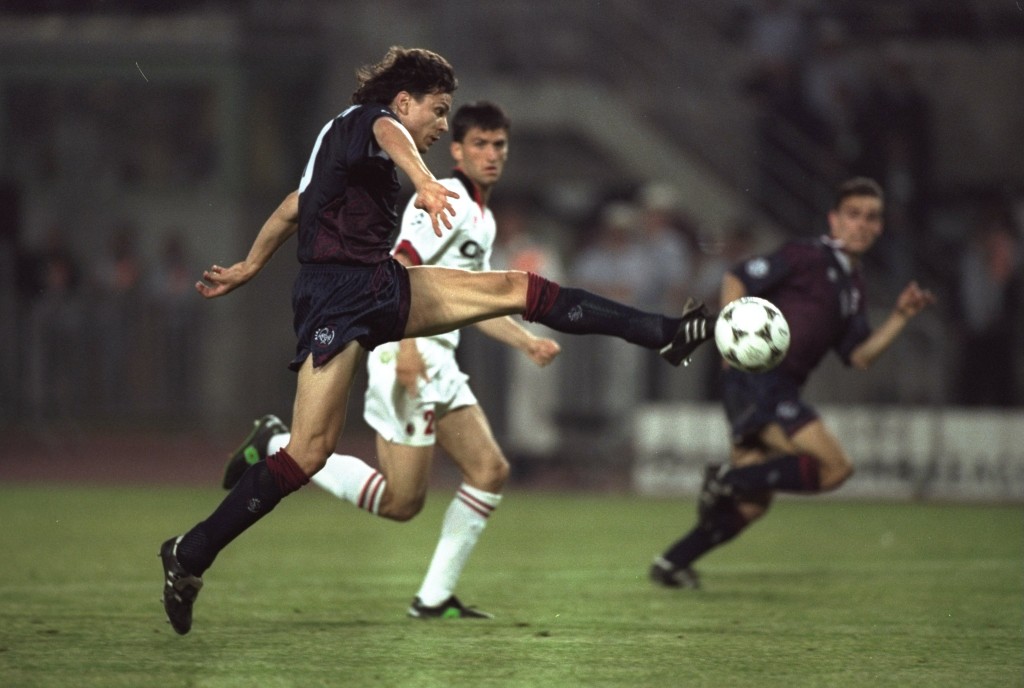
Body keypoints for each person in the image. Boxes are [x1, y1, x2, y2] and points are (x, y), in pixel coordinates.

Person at [159, 46, 714, 635]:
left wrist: (249, 265)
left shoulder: (347, 148)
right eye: (440, 110)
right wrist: (424, 181)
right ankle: (192, 553)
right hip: (337, 298)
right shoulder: (365, 124)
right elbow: (387, 131)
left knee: (518, 287)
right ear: (404, 102)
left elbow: (293, 207)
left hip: (378, 284)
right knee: (309, 452)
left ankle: (669, 334)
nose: (443, 123)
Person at [220, 101, 561, 619]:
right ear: (457, 151)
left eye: (499, 145)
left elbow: (475, 303)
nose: (492, 155)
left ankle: (433, 598)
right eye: (480, 144)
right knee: (403, 503)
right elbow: (400, 268)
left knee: (489, 469)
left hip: (439, 360)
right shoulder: (444, 202)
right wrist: (404, 350)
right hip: (412, 357)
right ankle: (276, 442)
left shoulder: (482, 220)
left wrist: (525, 342)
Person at [649, 177, 936, 589]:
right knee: (834, 467)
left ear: (879, 227)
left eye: (871, 217)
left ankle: (671, 562)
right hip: (759, 381)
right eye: (853, 214)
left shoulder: (853, 285)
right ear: (834, 220)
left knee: (752, 506)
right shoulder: (808, 255)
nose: (861, 224)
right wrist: (733, 339)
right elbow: (738, 277)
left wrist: (901, 317)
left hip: (777, 389)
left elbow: (859, 356)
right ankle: (726, 481)